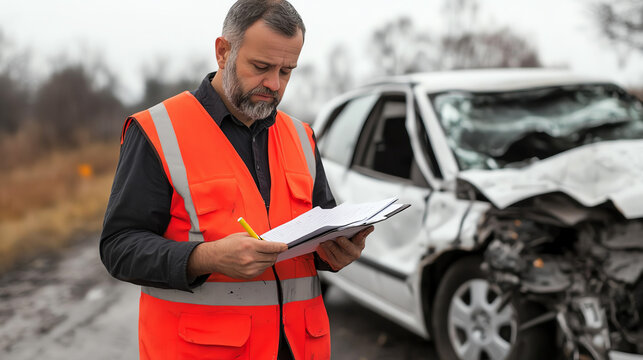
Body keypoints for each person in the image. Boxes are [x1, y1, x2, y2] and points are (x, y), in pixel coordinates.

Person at [99, 1, 373, 359]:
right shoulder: (158, 131)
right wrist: (205, 257)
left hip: (299, 348)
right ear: (223, 52)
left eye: (287, 71)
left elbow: (319, 233)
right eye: (261, 67)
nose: (274, 84)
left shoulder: (301, 136)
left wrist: (337, 252)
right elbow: (119, 248)